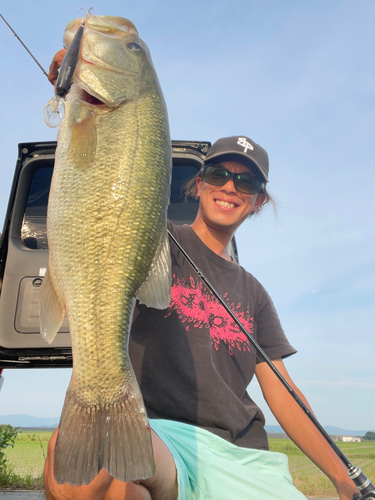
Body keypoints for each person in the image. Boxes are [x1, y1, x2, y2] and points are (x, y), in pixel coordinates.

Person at [44, 53, 359, 500]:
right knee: (87, 475)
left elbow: (283, 393)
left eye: (246, 184)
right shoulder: (152, 238)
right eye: (219, 173)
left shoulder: (256, 294)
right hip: (163, 436)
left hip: (241, 455)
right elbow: (98, 180)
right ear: (199, 182)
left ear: (258, 202)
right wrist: (77, 86)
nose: (230, 187)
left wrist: (344, 478)